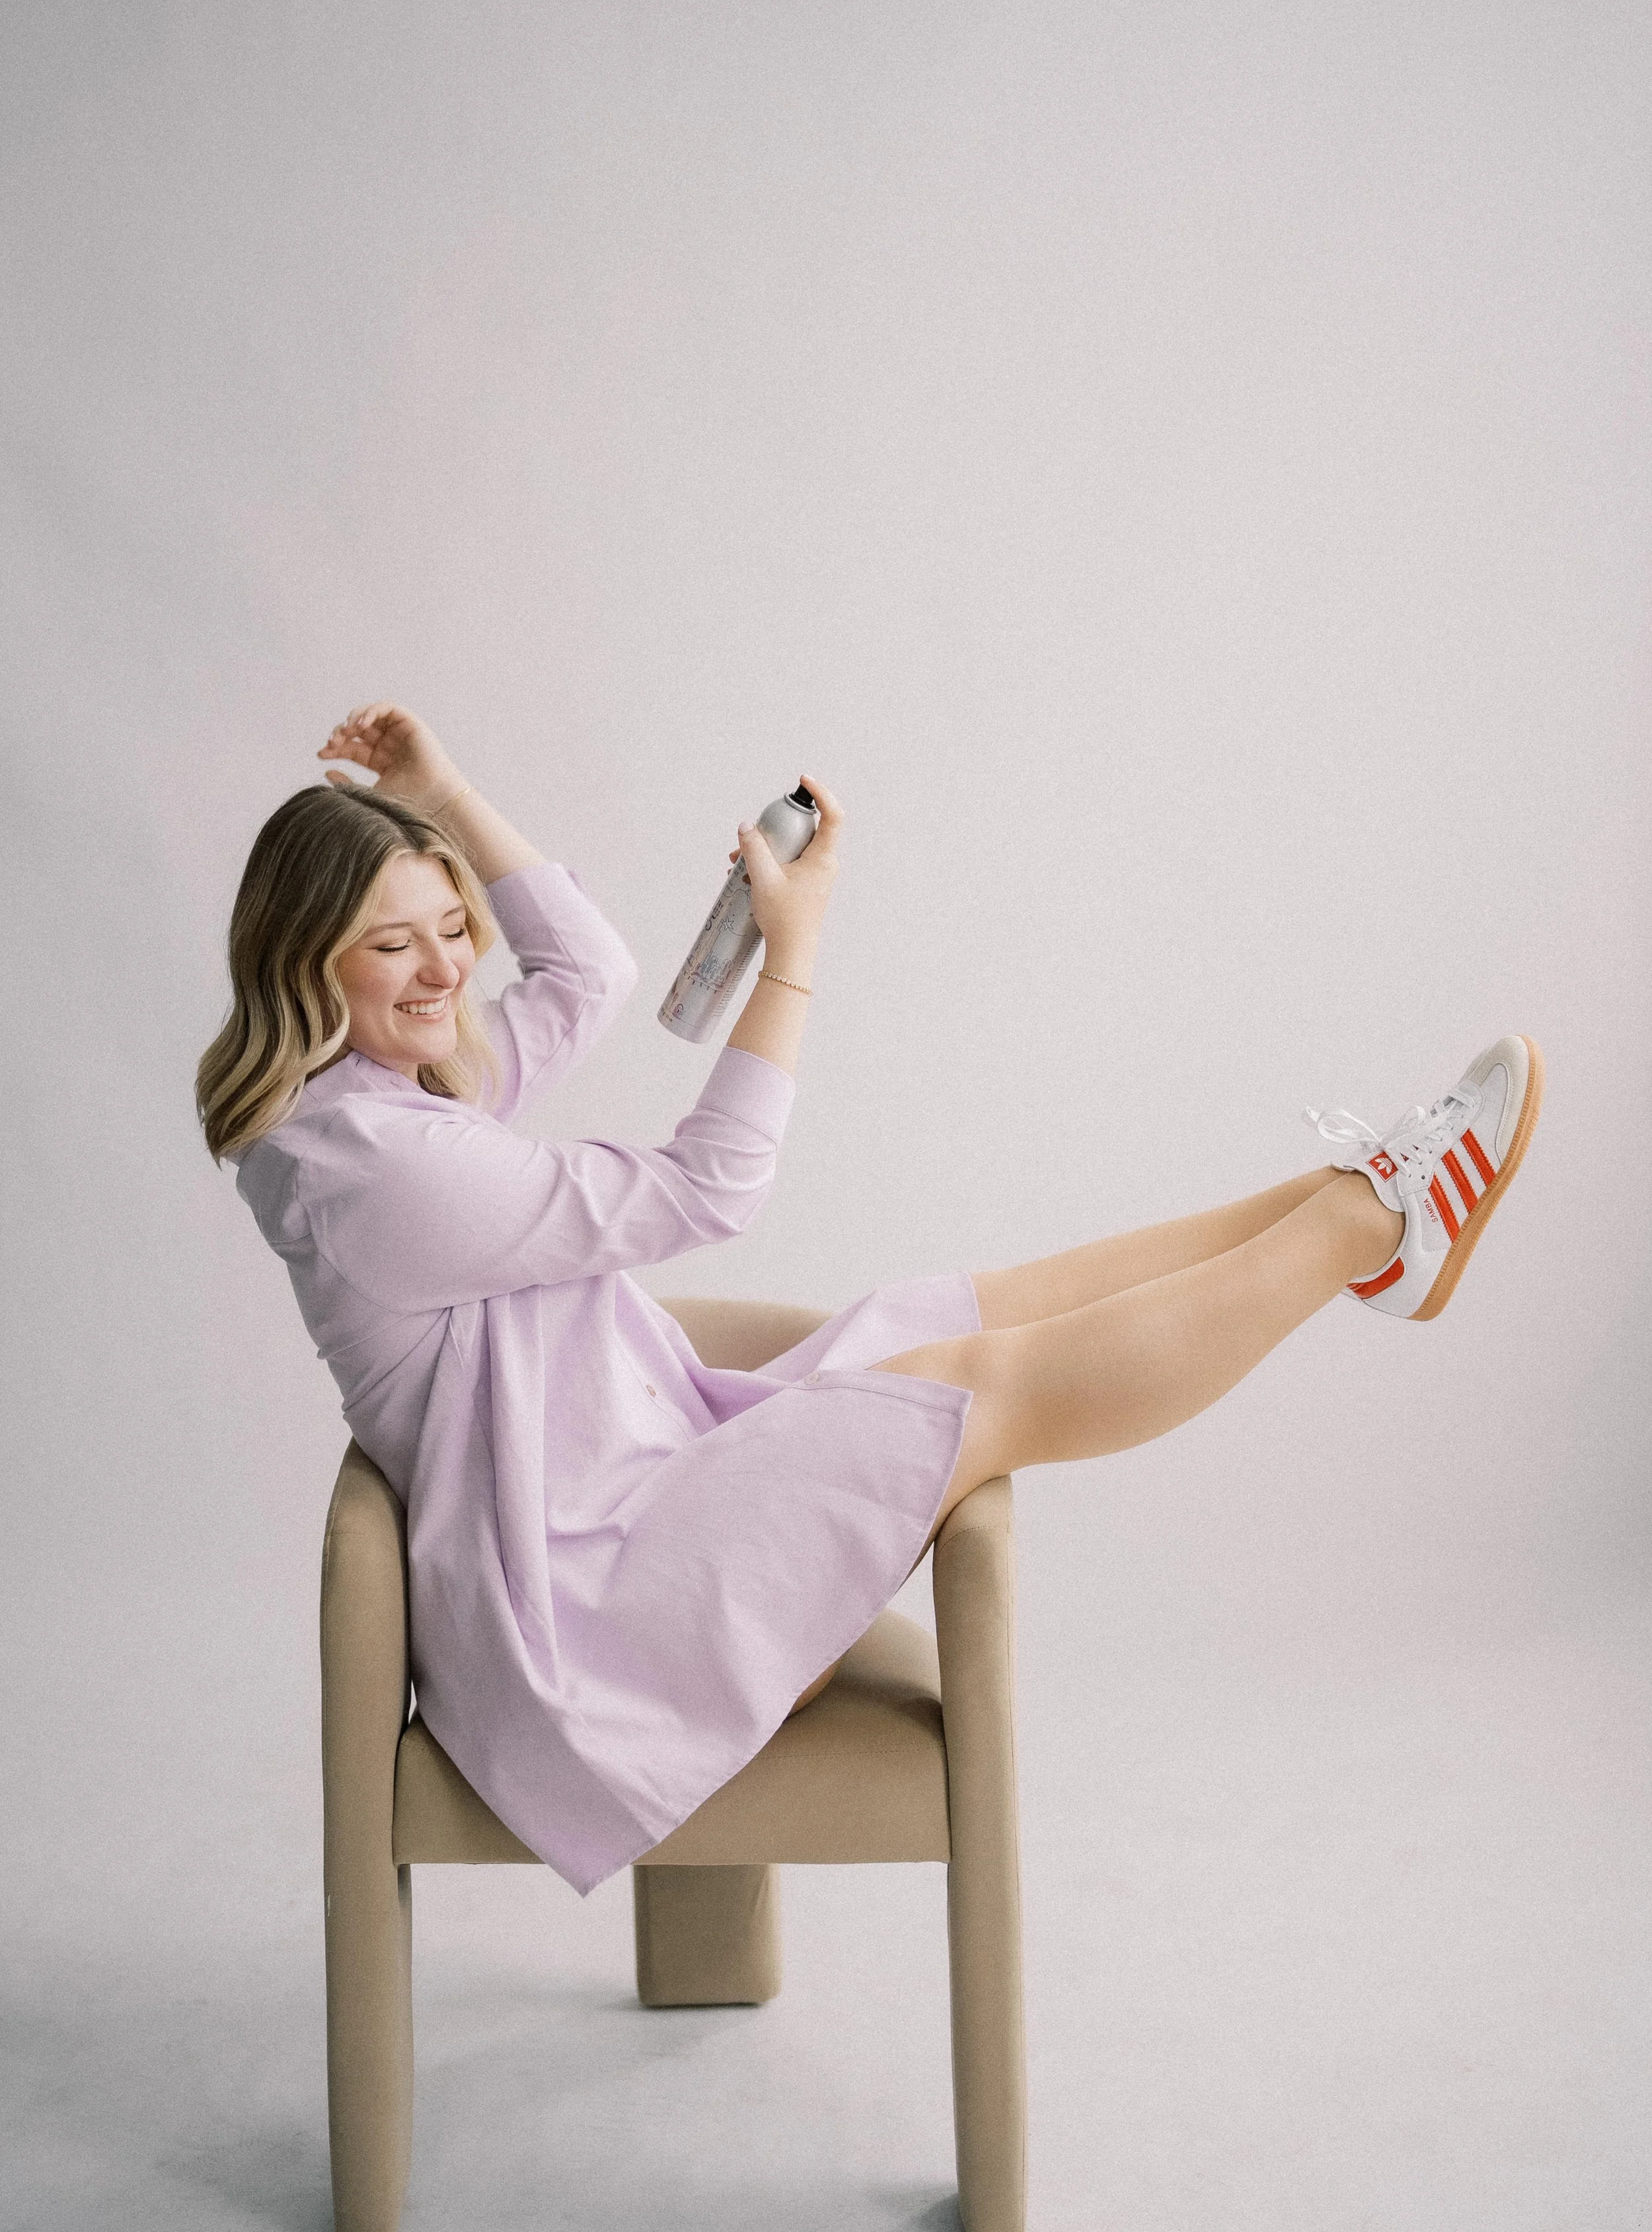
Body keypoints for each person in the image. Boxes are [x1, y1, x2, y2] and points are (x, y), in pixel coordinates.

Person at [198, 706, 1543, 1894]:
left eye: (451, 930)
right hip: (607, 1635)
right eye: (394, 945)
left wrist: (441, 798)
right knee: (981, 1387)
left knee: (980, 1307)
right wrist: (788, 958)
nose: (442, 971)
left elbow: (587, 977)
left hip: (645, 1498)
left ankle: (1360, 1202)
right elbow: (709, 1187)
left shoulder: (376, 1099)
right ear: (305, 960)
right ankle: (1371, 1224)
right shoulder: (377, 1173)